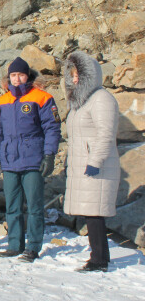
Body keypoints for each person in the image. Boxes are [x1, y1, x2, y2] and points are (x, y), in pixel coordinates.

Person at [0, 57, 61, 262]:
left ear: (27, 76)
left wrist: (49, 154)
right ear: (8, 78)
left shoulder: (42, 97)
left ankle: (33, 246)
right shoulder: (1, 102)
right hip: (10, 160)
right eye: (13, 75)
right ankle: (15, 244)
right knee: (12, 204)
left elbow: (52, 128)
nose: (17, 79)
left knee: (34, 205)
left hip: (33, 159)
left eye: (20, 75)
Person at [63, 51, 120, 273]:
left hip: (96, 165)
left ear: (90, 75)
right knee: (92, 212)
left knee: (95, 214)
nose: (74, 79)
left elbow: (106, 133)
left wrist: (95, 161)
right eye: (73, 75)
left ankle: (99, 260)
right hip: (84, 164)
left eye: (78, 75)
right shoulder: (81, 102)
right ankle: (100, 256)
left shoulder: (101, 99)